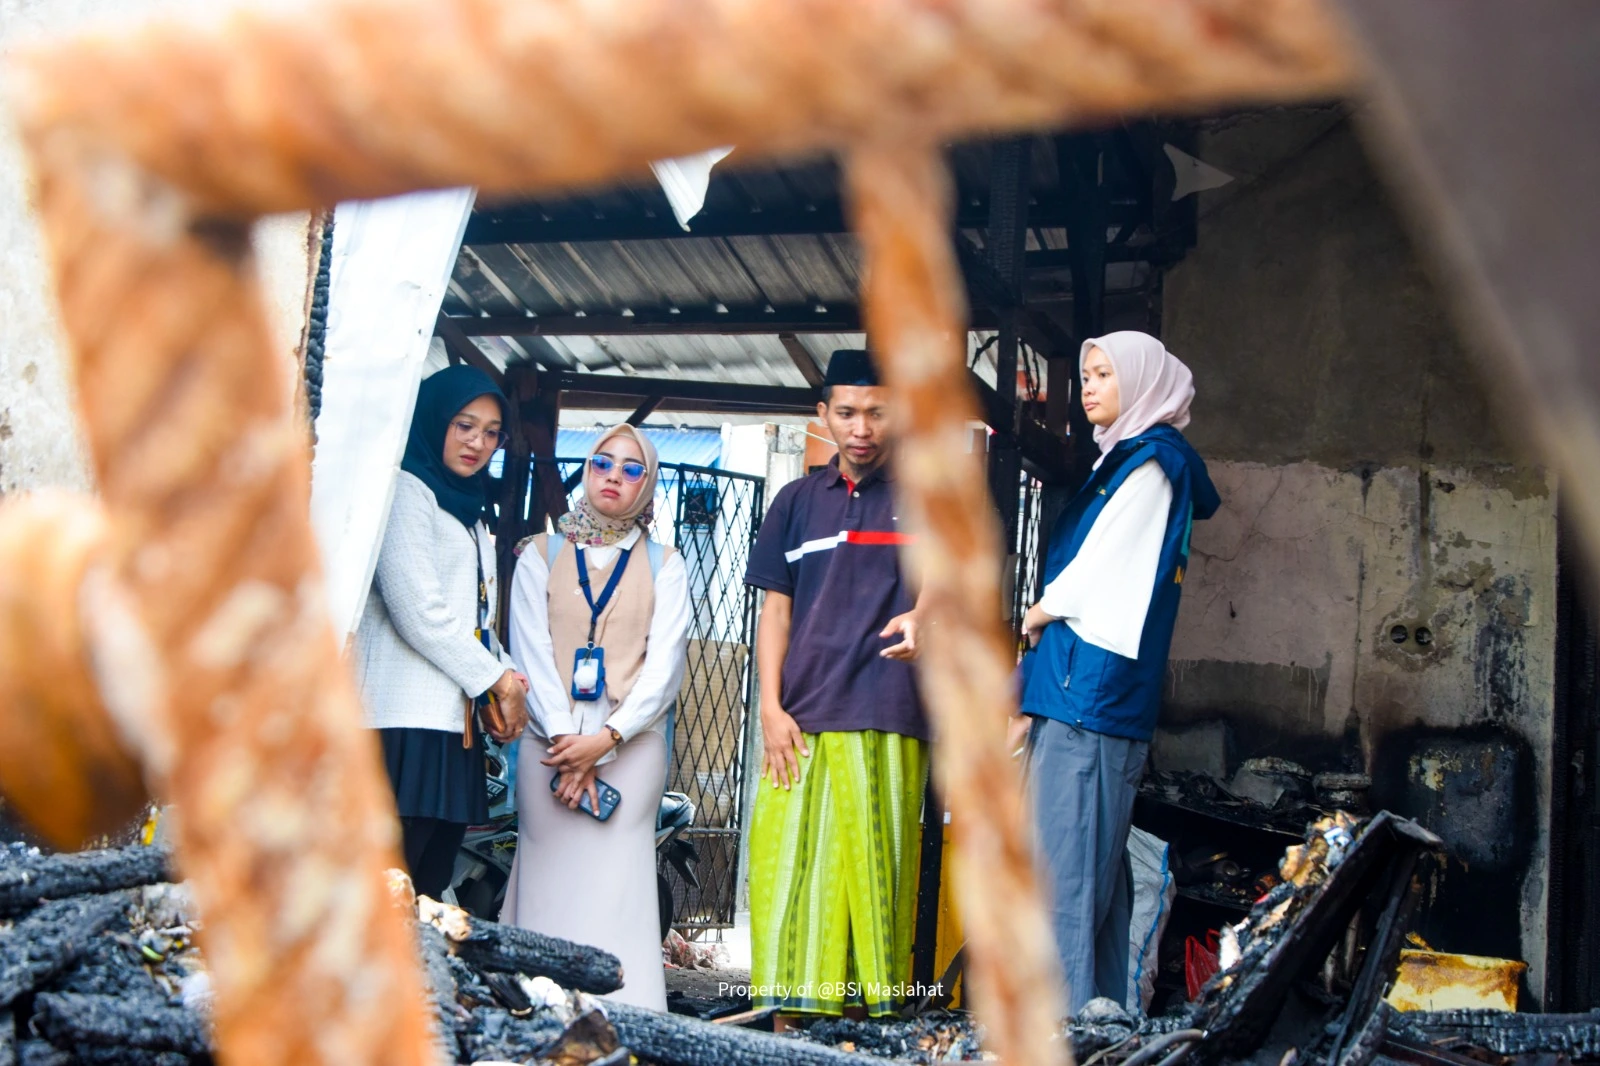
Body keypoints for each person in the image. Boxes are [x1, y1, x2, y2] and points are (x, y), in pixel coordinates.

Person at [1019, 331, 1220, 1015]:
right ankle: (1098, 1027)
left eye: (1105, 374)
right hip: (1083, 694)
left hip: (1089, 698)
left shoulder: (1152, 465)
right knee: (1086, 881)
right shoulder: (1132, 461)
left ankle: (1058, 1033)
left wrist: (1039, 610)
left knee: (1063, 881)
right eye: (1086, 374)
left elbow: (1100, 571)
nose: (1089, 387)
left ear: (1141, 383)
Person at [743, 349, 926, 1024]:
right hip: (799, 719)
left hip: (887, 712)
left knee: (873, 890)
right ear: (823, 414)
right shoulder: (794, 502)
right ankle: (786, 1031)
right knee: (786, 880)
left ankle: (873, 1037)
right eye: (847, 412)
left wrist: (925, 613)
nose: (862, 428)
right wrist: (768, 708)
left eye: (877, 413)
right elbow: (776, 613)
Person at [500, 424, 690, 1012]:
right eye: (603, 462)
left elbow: (665, 668)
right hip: (547, 746)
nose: (614, 476)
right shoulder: (540, 554)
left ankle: (625, 1019)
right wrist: (567, 741)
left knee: (616, 886)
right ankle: (535, 1014)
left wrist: (604, 740)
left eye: (633, 469)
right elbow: (527, 650)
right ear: (586, 469)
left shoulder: (666, 564)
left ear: (648, 484)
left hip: (630, 749)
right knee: (547, 878)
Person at [357, 364, 531, 900]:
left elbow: (474, 618)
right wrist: (496, 679)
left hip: (452, 728)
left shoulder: (471, 512)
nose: (478, 443)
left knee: (426, 893)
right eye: (464, 425)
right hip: (399, 723)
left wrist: (508, 674)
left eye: (492, 432)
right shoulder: (405, 490)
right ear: (434, 422)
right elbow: (419, 610)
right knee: (385, 889)